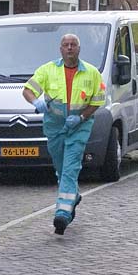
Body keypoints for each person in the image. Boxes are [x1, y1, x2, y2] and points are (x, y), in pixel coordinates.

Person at [22, 34, 105, 235]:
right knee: (60, 167)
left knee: (70, 168)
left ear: (79, 48)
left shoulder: (92, 73)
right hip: (55, 128)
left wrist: (82, 117)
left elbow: (97, 100)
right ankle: (73, 196)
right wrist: (36, 102)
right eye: (66, 45)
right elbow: (27, 90)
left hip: (79, 127)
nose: (69, 48)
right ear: (60, 49)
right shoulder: (48, 70)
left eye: (73, 45)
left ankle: (63, 213)